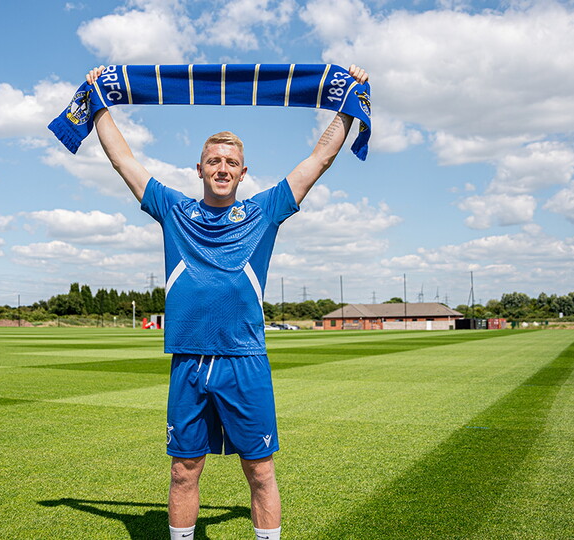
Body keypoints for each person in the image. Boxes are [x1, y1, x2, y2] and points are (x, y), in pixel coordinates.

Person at [85, 64, 369, 540]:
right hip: (190, 361)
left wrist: (349, 98)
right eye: (213, 161)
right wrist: (98, 100)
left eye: (230, 163)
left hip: (245, 361)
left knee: (259, 472)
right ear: (199, 169)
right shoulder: (174, 209)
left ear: (242, 172)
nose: (222, 169)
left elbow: (318, 159)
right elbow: (123, 161)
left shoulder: (264, 211)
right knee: (183, 471)